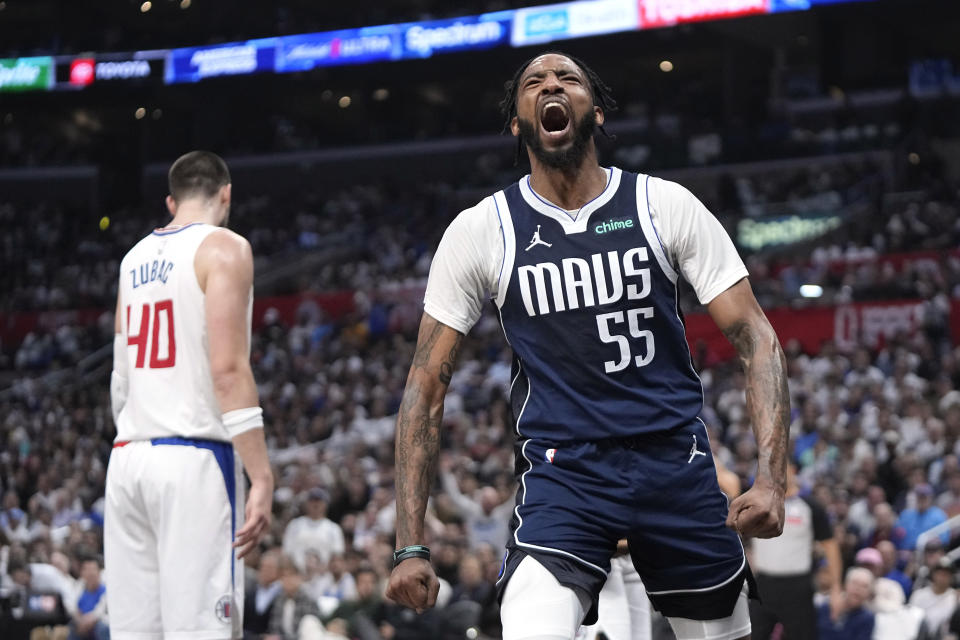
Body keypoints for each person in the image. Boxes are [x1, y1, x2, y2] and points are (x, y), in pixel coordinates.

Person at [386, 52, 789, 640]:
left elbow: (756, 339)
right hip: (564, 473)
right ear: (517, 124)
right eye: (534, 83)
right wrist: (408, 544)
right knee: (529, 625)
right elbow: (425, 387)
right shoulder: (481, 230)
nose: (551, 83)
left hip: (673, 464)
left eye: (568, 78)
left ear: (595, 113)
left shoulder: (662, 205)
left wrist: (773, 478)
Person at [105, 150, 274, 639]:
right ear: (226, 195)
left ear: (170, 201)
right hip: (192, 457)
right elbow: (227, 370)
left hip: (128, 457)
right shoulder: (225, 247)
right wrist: (259, 474)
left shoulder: (132, 258)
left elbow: (120, 378)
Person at [283, 488, 345, 573]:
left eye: (319, 501)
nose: (315, 504)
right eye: (312, 501)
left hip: (324, 578)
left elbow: (337, 556)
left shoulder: (333, 528)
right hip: (298, 576)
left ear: (325, 504)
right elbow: (287, 554)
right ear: (307, 504)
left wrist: (322, 571)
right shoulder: (294, 525)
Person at [816, 567, 875, 640]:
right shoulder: (824, 608)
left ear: (869, 593)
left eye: (864, 586)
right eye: (855, 583)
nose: (858, 589)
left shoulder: (866, 618)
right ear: (845, 585)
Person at [68, 557, 109, 640]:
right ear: (82, 573)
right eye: (87, 569)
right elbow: (72, 608)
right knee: (71, 626)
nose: (91, 573)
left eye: (93, 569)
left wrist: (90, 620)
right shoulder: (78, 587)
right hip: (81, 624)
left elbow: (101, 611)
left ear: (99, 572)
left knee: (102, 628)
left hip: (98, 623)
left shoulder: (106, 589)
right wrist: (80, 620)